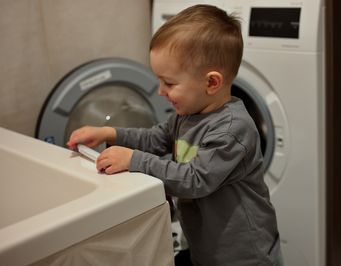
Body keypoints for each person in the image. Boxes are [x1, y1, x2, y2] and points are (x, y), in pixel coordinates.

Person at [67, 4, 282, 266]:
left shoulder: (232, 130)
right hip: (208, 248)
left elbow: (195, 179)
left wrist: (134, 160)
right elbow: (155, 139)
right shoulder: (188, 115)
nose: (160, 91)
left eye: (169, 83)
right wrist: (108, 132)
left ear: (211, 83)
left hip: (245, 255)